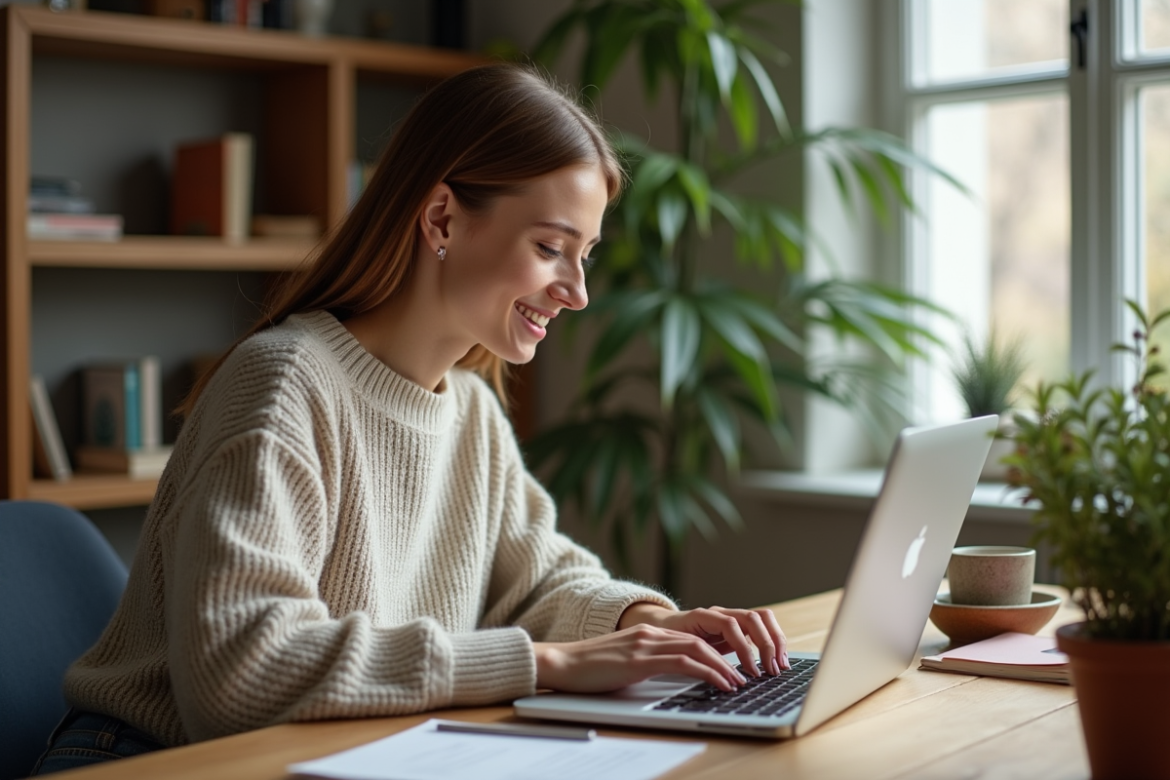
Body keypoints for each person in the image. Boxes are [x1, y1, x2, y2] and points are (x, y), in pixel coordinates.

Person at [33, 63, 788, 775]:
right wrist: (544, 664)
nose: (577, 291)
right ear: (442, 219)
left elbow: (534, 583)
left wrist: (641, 626)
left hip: (334, 750)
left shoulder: (470, 410)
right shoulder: (283, 386)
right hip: (147, 759)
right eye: (551, 248)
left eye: (584, 255)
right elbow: (241, 673)